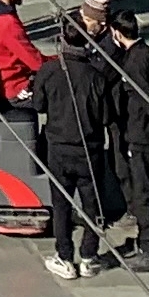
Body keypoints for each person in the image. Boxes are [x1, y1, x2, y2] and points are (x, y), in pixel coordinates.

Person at [78, 0, 149, 271]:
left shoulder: (133, 63)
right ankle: (145, 238)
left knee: (145, 192)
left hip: (143, 136)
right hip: (146, 134)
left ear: (115, 32)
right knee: (141, 187)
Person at [31, 42, 121, 278]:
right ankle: (89, 256)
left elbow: (38, 105)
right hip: (89, 151)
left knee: (61, 205)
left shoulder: (48, 71)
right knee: (93, 205)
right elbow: (105, 116)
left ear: (62, 45)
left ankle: (64, 256)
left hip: (58, 149)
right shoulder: (96, 77)